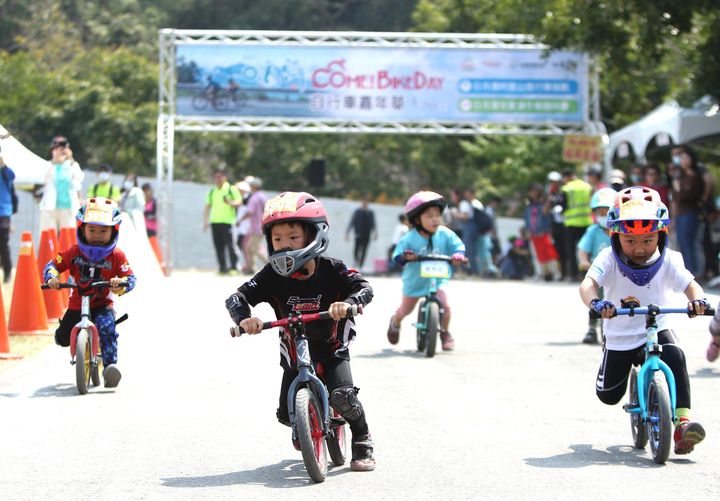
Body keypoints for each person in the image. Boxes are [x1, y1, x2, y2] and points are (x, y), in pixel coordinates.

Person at [224, 191, 376, 471]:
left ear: (314, 235)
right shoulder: (271, 274)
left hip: (332, 347)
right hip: (295, 352)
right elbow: (237, 298)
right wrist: (246, 318)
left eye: (293, 238)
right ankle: (309, 419)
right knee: (286, 414)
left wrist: (349, 303)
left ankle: (362, 438)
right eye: (277, 239)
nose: (284, 245)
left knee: (343, 397)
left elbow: (364, 287)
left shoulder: (332, 269)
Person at [579, 186, 709, 456]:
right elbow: (588, 284)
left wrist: (698, 301)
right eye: (630, 241)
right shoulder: (608, 258)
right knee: (608, 396)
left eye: (648, 240)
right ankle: (626, 383)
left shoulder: (670, 259)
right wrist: (596, 302)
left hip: (656, 325)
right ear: (616, 237)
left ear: (661, 235)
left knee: (676, 355)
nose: (639, 248)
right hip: (620, 335)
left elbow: (691, 285)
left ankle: (682, 423)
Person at [43, 197, 136, 388]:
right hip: (78, 303)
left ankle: (110, 368)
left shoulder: (117, 256)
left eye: (103, 230)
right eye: (91, 229)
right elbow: (53, 264)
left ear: (114, 230)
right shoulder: (73, 252)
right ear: (81, 228)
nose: (97, 235)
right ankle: (79, 344)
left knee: (107, 328)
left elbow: (131, 277)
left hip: (102, 304)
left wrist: (120, 284)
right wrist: (51, 279)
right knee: (61, 338)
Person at [386, 191, 466, 351]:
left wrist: (458, 255)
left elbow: (458, 247)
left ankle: (445, 332)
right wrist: (405, 257)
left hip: (438, 280)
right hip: (415, 282)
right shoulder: (409, 238)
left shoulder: (445, 233)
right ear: (417, 219)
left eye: (437, 215)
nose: (435, 219)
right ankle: (395, 322)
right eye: (429, 216)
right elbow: (397, 255)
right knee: (405, 310)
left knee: (446, 307)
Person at [577, 187, 617, 344]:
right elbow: (583, 248)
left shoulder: (620, 231)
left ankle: (613, 331)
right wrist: (583, 261)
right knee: (596, 298)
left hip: (618, 273)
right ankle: (593, 328)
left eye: (606, 212)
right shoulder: (593, 231)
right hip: (598, 272)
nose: (603, 216)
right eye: (599, 212)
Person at [669, 146, 706, 276]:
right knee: (682, 243)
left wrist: (679, 190)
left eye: (686, 158)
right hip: (680, 214)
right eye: (682, 158)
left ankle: (694, 272)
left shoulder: (697, 176)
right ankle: (687, 272)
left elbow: (688, 195)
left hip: (691, 213)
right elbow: (675, 197)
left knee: (690, 243)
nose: (683, 161)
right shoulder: (680, 177)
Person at [39, 135, 84, 232]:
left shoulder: (72, 165)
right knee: (48, 235)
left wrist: (71, 158)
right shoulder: (48, 165)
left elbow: (79, 178)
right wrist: (55, 161)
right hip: (50, 208)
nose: (60, 151)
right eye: (56, 149)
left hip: (68, 208)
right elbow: (42, 179)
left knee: (68, 236)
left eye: (62, 149)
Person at [203, 169, 242, 275]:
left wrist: (229, 202)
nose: (218, 179)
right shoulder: (212, 191)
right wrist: (205, 221)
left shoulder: (231, 189)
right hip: (215, 222)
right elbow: (207, 206)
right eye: (216, 177)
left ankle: (234, 267)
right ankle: (222, 268)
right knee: (218, 246)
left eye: (220, 177)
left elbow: (239, 202)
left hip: (228, 222)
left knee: (231, 245)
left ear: (225, 177)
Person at [560, 169, 593, 281]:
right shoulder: (587, 187)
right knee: (585, 249)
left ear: (567, 177)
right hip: (586, 222)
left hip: (572, 223)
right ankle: (585, 273)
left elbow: (563, 206)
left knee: (571, 250)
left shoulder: (567, 188)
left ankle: (573, 274)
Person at [524, 183, 559, 281]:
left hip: (544, 232)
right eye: (531, 191)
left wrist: (546, 230)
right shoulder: (529, 205)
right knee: (537, 254)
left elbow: (547, 216)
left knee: (550, 253)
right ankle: (541, 273)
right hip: (533, 233)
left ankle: (555, 273)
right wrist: (527, 230)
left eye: (535, 191)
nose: (532, 193)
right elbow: (527, 219)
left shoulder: (544, 204)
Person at [239, 175, 268, 274]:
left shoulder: (254, 197)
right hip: (262, 226)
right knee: (248, 248)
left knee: (254, 249)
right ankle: (251, 268)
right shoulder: (263, 196)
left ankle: (270, 265)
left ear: (254, 187)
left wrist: (240, 220)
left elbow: (249, 212)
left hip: (256, 227)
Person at [345, 196, 377, 270]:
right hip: (358, 233)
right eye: (364, 202)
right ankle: (356, 261)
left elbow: (373, 223)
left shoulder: (370, 212)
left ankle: (361, 265)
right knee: (356, 249)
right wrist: (347, 233)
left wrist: (375, 233)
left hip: (367, 234)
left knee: (364, 250)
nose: (365, 203)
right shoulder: (357, 211)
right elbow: (352, 222)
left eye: (366, 202)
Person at [546, 171, 568, 280]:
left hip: (565, 225)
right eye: (551, 182)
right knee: (557, 251)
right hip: (554, 226)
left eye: (555, 182)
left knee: (566, 250)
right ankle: (562, 273)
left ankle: (568, 272)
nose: (553, 184)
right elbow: (546, 211)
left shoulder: (563, 192)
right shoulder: (549, 194)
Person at [0, 149, 16, 283]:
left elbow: (12, 176)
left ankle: (7, 273)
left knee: (3, 244)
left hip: (3, 212)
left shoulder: (5, 171)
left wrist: (2, 165)